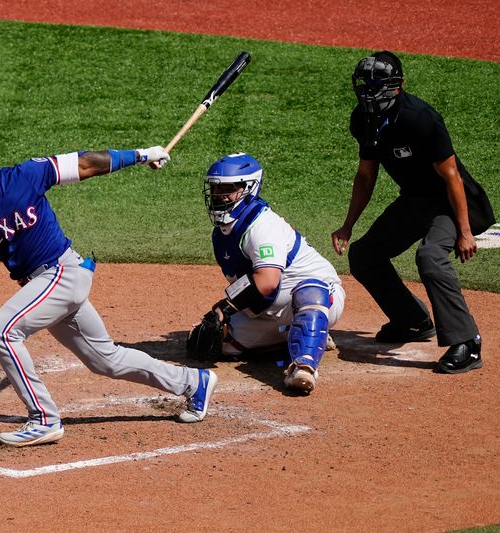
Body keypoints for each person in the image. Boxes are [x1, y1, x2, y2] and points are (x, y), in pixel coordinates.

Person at [0, 137, 217, 447]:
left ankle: (43, 419)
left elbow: (85, 163)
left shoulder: (24, 176)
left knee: (1, 331)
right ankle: (194, 382)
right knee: (106, 360)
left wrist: (142, 155)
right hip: (46, 286)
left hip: (62, 272)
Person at [331, 50, 495, 374]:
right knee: (364, 255)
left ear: (398, 84)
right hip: (414, 201)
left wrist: (463, 231)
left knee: (430, 256)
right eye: (365, 85)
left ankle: (467, 343)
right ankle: (412, 320)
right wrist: (348, 226)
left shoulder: (420, 118)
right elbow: (366, 175)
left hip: (448, 203)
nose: (370, 92)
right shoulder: (363, 120)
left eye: (377, 85)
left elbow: (452, 177)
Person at [187, 152, 346, 394]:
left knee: (309, 291)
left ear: (248, 189)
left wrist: (226, 308)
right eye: (216, 189)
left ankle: (304, 366)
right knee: (219, 344)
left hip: (318, 296)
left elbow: (267, 282)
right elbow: (247, 284)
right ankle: (304, 337)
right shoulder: (222, 233)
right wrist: (219, 315)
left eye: (228, 189)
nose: (219, 196)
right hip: (269, 310)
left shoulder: (263, 226)